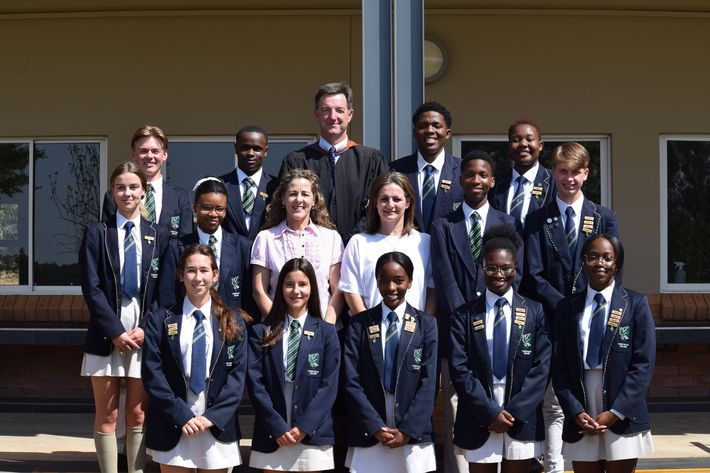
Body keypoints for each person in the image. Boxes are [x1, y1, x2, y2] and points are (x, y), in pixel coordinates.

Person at [523, 142, 620, 473]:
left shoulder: (603, 217)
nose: (568, 179)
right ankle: (553, 468)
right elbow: (533, 275)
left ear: (586, 174)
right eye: (562, 172)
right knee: (554, 405)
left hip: (594, 323)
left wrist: (590, 307)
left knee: (594, 398)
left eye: (575, 172)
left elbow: (612, 269)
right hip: (552, 323)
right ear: (553, 173)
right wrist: (567, 306)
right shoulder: (537, 220)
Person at [430, 149, 520, 473]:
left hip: (501, 330)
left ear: (492, 181)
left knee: (499, 399)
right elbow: (445, 278)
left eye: (483, 175)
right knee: (456, 406)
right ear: (460, 179)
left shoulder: (506, 222)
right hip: (458, 332)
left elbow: (513, 274)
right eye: (470, 175)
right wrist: (467, 323)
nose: (476, 180)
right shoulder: (443, 225)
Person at [79, 162, 170, 473]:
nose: (127, 192)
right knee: (106, 415)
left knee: (138, 414)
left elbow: (164, 292)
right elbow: (91, 288)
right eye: (120, 187)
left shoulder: (158, 235)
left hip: (143, 333)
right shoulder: (97, 232)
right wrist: (116, 331)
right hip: (107, 334)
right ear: (112, 191)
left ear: (143, 192)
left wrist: (147, 328)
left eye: (133, 187)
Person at [449, 226, 551, 473]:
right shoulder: (464, 314)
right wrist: (489, 412)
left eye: (506, 268)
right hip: (478, 414)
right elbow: (459, 368)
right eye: (491, 268)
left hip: (520, 415)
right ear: (482, 269)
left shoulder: (534, 311)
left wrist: (515, 411)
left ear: (515, 269)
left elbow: (542, 367)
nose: (499, 274)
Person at [552, 234, 655, 473]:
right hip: (582, 403)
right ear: (584, 262)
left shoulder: (635, 303)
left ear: (616, 264)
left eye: (607, 258)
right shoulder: (567, 307)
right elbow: (559, 365)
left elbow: (643, 364)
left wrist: (615, 412)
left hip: (622, 404)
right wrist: (575, 411)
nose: (600, 263)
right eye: (593, 257)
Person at [142, 244, 250, 472]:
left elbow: (237, 378)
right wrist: (181, 415)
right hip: (174, 423)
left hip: (215, 425)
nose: (198, 277)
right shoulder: (160, 319)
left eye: (204, 270)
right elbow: (153, 374)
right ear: (181, 275)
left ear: (215, 275)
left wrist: (212, 417)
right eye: (191, 270)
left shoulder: (233, 321)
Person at [343, 251, 438, 473]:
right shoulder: (359, 324)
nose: (391, 287)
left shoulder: (426, 324)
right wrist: (375, 426)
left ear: (410, 282)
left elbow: (429, 382)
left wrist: (407, 430)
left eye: (399, 280)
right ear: (376, 282)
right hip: (370, 433)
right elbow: (351, 381)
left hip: (412, 434)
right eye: (384, 280)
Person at [247, 258, 341, 472]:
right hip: (273, 430)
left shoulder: (326, 332)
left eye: (303, 284)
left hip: (313, 430)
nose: (296, 291)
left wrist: (305, 427)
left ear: (312, 288)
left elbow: (329, 386)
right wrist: (277, 426)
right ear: (280, 288)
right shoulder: (262, 332)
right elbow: (255, 383)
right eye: (289, 284)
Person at [279, 82, 389, 244]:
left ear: (350, 115)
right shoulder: (296, 161)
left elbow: (380, 205)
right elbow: (285, 208)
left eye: (339, 110)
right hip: (308, 249)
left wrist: (353, 241)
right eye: (325, 110)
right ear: (317, 114)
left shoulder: (371, 160)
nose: (332, 117)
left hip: (362, 246)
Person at [251, 169, 344, 323]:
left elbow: (338, 290)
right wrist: (280, 326)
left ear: (314, 200)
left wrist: (325, 328)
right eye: (293, 194)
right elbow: (259, 291)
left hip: (322, 328)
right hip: (278, 331)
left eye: (305, 194)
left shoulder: (331, 237)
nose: (298, 199)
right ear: (282, 199)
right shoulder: (266, 238)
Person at [340, 171, 435, 315]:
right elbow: (351, 291)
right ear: (375, 203)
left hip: (416, 332)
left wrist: (424, 327)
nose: (390, 205)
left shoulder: (424, 242)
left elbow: (433, 289)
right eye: (384, 199)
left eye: (397, 199)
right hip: (371, 330)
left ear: (407, 202)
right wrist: (369, 329)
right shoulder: (358, 243)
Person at [157, 177, 254, 317]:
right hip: (190, 325)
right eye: (207, 208)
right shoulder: (177, 248)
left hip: (232, 328)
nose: (213, 214)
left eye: (220, 209)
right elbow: (167, 296)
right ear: (195, 207)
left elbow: (249, 297)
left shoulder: (243, 247)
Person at [102, 125, 193, 239]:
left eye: (155, 151)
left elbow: (186, 244)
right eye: (144, 151)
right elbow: (108, 239)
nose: (149, 156)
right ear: (134, 155)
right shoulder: (113, 197)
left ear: (164, 155)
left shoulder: (181, 197)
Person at [390, 101, 464, 233]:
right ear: (415, 132)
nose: (430, 130)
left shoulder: (463, 171)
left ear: (447, 133)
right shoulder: (395, 170)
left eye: (436, 125)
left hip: (448, 251)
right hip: (407, 250)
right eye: (423, 125)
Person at [489, 120, 556, 235]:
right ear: (509, 147)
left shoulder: (554, 181)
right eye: (516, 140)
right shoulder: (497, 184)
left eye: (529, 139)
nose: (523, 144)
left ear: (540, 146)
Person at [220, 125, 280, 240]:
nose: (250, 153)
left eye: (257, 148)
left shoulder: (277, 187)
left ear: (266, 151)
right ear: (235, 148)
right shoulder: (220, 185)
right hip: (230, 256)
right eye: (245, 148)